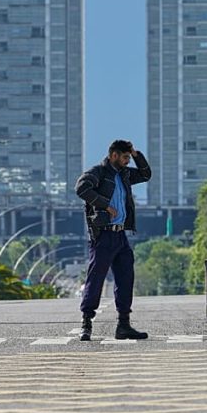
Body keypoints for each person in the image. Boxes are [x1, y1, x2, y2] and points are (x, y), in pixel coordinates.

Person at [75, 139, 152, 341]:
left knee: (126, 278)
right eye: (125, 157)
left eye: (129, 157)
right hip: (103, 235)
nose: (128, 161)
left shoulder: (125, 174)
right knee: (96, 278)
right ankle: (86, 323)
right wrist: (105, 205)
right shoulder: (98, 172)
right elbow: (81, 188)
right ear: (114, 155)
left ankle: (124, 325)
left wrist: (136, 154)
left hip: (121, 236)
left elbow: (146, 174)